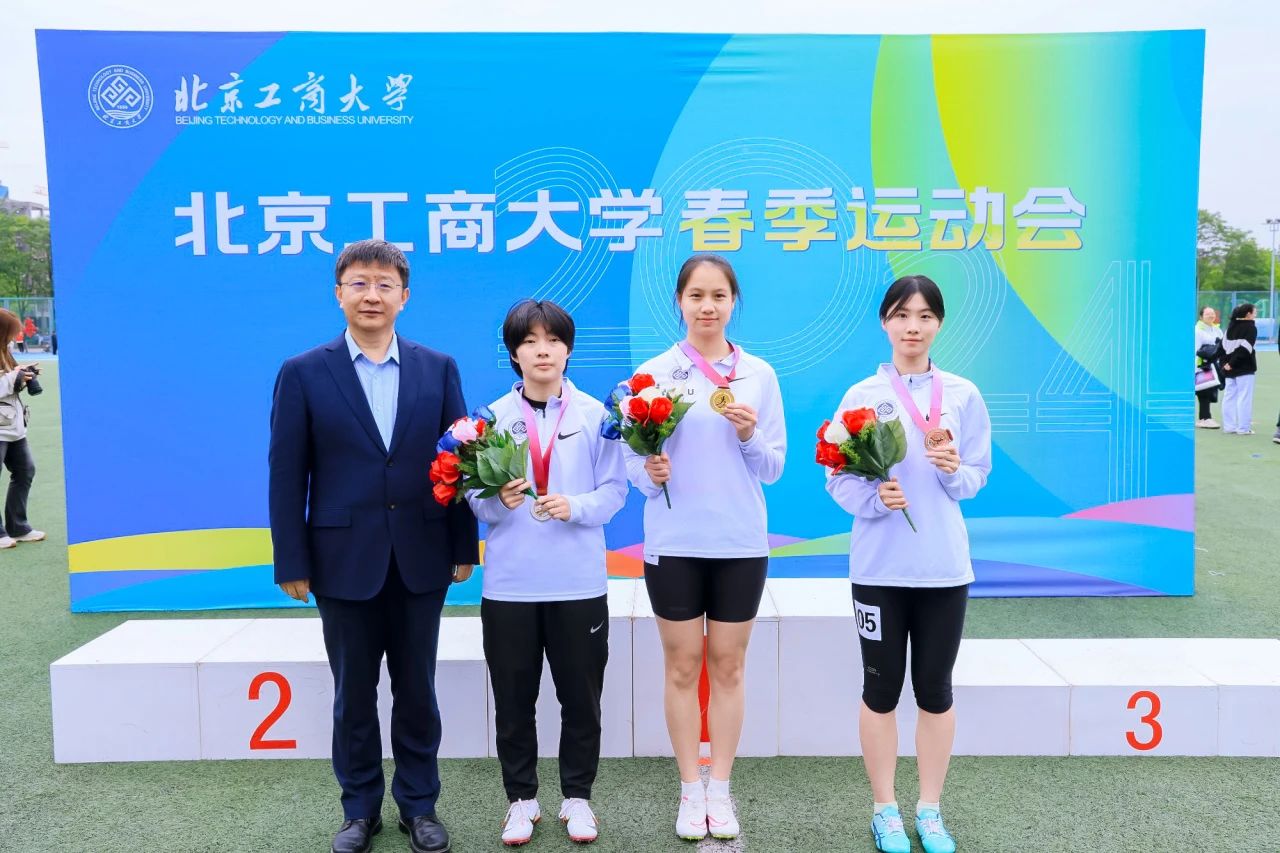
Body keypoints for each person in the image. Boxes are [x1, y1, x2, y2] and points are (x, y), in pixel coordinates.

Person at [268, 239, 479, 853]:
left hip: (422, 555)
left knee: (418, 692)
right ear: (339, 293)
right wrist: (292, 560)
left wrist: (463, 546)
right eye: (359, 283)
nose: (372, 295)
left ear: (404, 297)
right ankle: (359, 810)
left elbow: (458, 462)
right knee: (353, 695)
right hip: (341, 561)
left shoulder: (437, 368)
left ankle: (419, 806)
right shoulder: (303, 372)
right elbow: (287, 474)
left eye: (385, 285)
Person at [622, 254, 786, 842]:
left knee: (730, 667)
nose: (708, 306)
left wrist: (748, 434)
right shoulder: (653, 374)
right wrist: (650, 471)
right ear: (679, 302)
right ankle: (690, 787)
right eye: (696, 295)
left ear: (733, 302)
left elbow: (773, 467)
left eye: (718, 296)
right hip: (675, 543)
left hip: (739, 542)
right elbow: (631, 465)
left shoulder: (759, 375)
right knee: (683, 665)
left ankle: (721, 785)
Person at [825, 275, 992, 853]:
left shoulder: (963, 394)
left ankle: (930, 809)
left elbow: (977, 475)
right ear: (885, 322)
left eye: (924, 316)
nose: (912, 327)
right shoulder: (861, 395)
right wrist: (876, 498)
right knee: (880, 691)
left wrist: (952, 471)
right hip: (879, 571)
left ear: (939, 323)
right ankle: (885, 810)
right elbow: (837, 478)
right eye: (901, 315)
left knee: (935, 691)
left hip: (944, 569)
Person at [465, 299, 627, 846]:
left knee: (581, 700)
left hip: (578, 584)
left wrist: (574, 506)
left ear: (568, 349)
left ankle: (577, 798)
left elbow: (615, 492)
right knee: (514, 702)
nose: (543, 350)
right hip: (510, 587)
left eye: (553, 340)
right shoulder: (489, 420)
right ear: (514, 353)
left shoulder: (597, 417)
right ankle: (522, 800)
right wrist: (499, 501)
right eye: (530, 341)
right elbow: (474, 500)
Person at [0, 308, 45, 549]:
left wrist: (23, 374)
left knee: (25, 470)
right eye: (11, 332)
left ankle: (18, 527)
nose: (13, 337)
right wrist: (14, 378)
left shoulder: (5, 352)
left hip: (12, 426)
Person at [1220, 302, 1258, 435]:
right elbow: (1245, 349)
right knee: (1244, 398)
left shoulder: (1230, 327)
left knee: (1229, 397)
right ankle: (1243, 428)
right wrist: (1232, 363)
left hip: (1229, 369)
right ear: (1248, 314)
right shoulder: (1251, 327)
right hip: (1244, 367)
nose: (1255, 314)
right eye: (1254, 312)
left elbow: (1222, 347)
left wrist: (1226, 364)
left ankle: (1229, 427)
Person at [1194, 306, 1222, 429]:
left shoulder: (1216, 329)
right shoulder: (1197, 330)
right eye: (1207, 314)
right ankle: (1204, 418)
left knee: (1209, 390)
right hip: (1201, 365)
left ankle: (1206, 417)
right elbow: (1196, 349)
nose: (1211, 316)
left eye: (1212, 313)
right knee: (1203, 391)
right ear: (1201, 317)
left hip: (1213, 365)